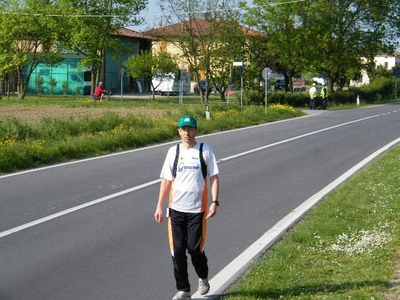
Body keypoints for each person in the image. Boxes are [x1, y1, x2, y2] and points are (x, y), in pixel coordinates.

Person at [154, 115, 220, 300]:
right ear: (178, 131)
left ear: (196, 131)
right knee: (177, 250)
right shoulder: (173, 152)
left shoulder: (204, 150)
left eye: (190, 129)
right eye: (183, 129)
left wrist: (214, 201)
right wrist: (159, 205)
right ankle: (183, 289)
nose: (187, 133)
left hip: (197, 210)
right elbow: (166, 180)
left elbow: (214, 177)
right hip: (176, 210)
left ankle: (203, 276)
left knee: (193, 248)